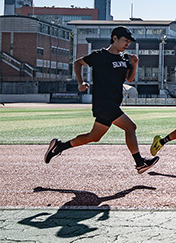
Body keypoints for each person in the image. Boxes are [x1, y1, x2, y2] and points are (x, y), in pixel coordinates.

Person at [44, 26, 159, 174]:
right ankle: (139, 163)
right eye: (125, 41)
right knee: (131, 127)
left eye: (129, 42)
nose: (127, 44)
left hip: (114, 102)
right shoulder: (100, 56)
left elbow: (129, 78)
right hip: (103, 102)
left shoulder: (125, 58)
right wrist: (80, 82)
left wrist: (135, 64)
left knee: (94, 137)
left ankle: (58, 147)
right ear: (115, 38)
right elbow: (77, 63)